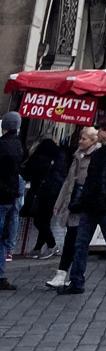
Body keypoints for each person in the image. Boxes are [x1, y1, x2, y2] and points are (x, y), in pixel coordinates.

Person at [61, 114, 106, 294]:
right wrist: (81, 200)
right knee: (81, 243)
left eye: (100, 129)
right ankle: (76, 281)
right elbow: (90, 179)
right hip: (90, 205)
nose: (98, 132)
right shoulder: (98, 153)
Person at [44, 126, 100, 289]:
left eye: (84, 138)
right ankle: (66, 274)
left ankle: (69, 274)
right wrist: (59, 203)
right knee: (72, 239)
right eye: (80, 138)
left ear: (93, 140)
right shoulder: (78, 155)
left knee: (75, 241)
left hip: (84, 205)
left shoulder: (96, 157)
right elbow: (68, 182)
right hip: (73, 203)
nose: (80, 141)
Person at [21, 136, 64, 260]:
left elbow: (27, 173)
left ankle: (52, 245)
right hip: (54, 194)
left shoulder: (39, 158)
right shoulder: (59, 158)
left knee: (39, 221)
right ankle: (38, 248)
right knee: (45, 221)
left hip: (41, 193)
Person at [0, 111, 25, 290]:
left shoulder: (3, 145)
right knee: (3, 237)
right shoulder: (18, 145)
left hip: (2, 195)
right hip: (10, 196)